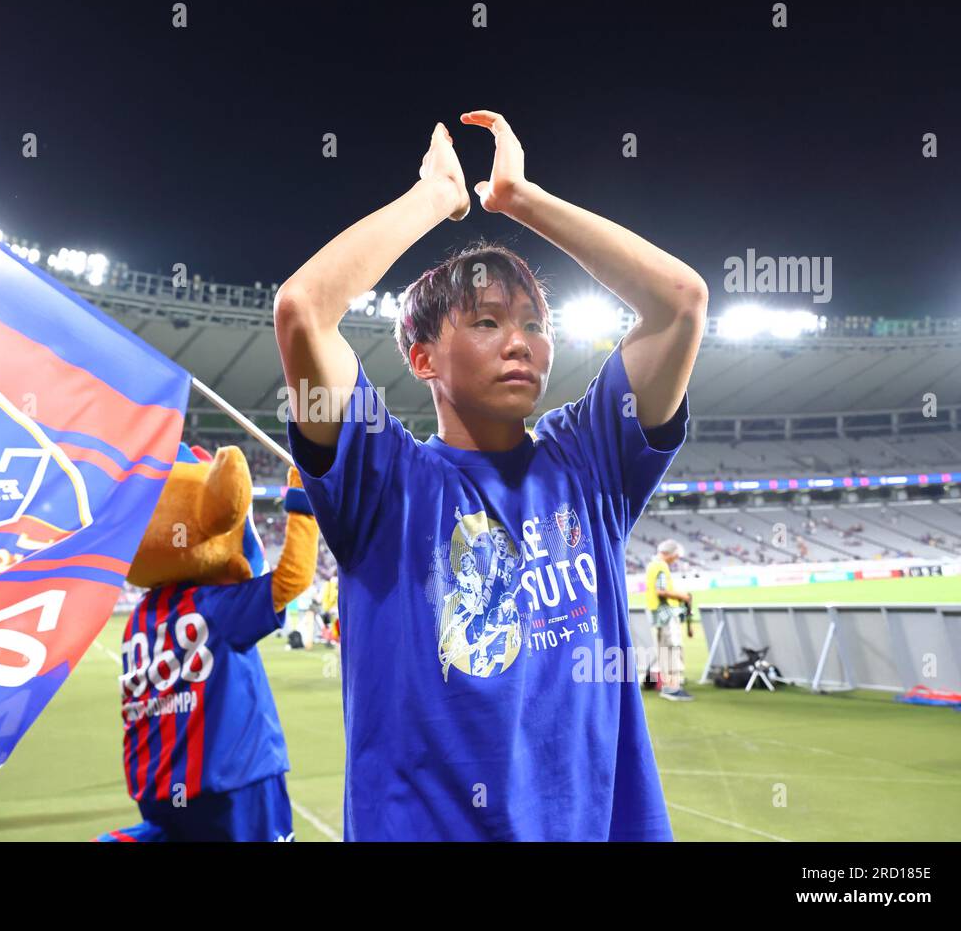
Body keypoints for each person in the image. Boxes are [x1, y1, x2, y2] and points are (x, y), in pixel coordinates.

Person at [273, 111, 707, 840]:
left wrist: (521, 198)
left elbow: (680, 304)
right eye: (485, 322)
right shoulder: (386, 483)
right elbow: (303, 310)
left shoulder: (588, 462)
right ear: (422, 360)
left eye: (535, 324)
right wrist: (435, 197)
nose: (522, 343)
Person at [645, 539, 694, 701]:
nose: (677, 559)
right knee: (673, 649)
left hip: (657, 615)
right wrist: (683, 596)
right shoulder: (660, 566)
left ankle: (668, 686)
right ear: (670, 553)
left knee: (664, 652)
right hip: (666, 615)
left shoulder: (652, 565)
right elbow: (661, 591)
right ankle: (673, 687)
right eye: (676, 555)